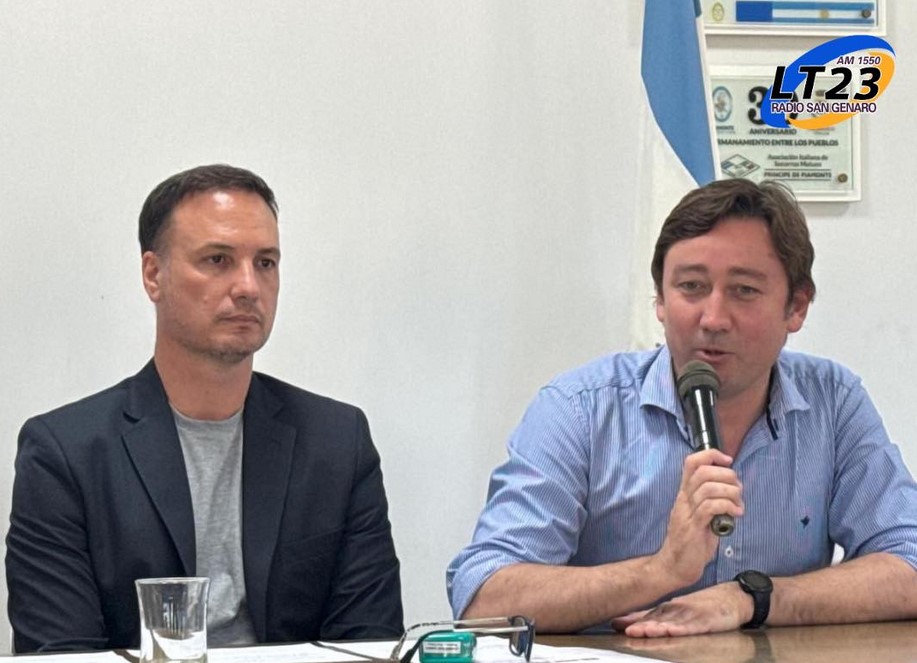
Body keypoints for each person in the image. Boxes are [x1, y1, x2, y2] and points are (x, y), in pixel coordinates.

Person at [447, 178, 917, 636]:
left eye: (744, 290)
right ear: (660, 300)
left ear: (796, 306)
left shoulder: (832, 402)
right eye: (691, 287)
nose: (712, 319)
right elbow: (483, 598)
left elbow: (909, 562)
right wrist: (661, 570)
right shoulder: (579, 409)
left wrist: (753, 598)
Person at [6, 164, 403, 653]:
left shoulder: (337, 442)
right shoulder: (66, 454)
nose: (248, 286)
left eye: (265, 263)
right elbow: (61, 653)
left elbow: (369, 641)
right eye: (218, 260)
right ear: (154, 275)